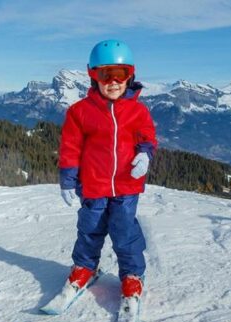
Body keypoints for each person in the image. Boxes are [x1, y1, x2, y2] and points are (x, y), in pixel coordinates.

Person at [58, 39, 157, 301]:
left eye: (120, 74)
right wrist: (68, 179)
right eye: (105, 74)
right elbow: (70, 146)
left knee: (124, 231)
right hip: (92, 184)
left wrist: (145, 155)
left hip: (126, 184)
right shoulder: (79, 112)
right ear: (93, 76)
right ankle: (85, 268)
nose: (113, 81)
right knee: (89, 229)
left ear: (130, 75)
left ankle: (132, 275)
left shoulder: (138, 111)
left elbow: (147, 139)